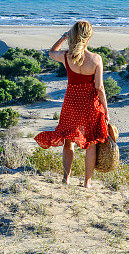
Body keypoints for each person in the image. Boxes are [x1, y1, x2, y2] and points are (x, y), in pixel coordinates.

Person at [35, 20, 109, 188]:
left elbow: (51, 52)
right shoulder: (96, 59)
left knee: (69, 141)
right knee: (90, 142)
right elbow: (100, 88)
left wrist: (63, 37)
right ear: (89, 37)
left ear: (73, 36)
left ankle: (65, 179)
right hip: (90, 105)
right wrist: (106, 110)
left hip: (71, 104)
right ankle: (87, 183)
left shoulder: (67, 56)